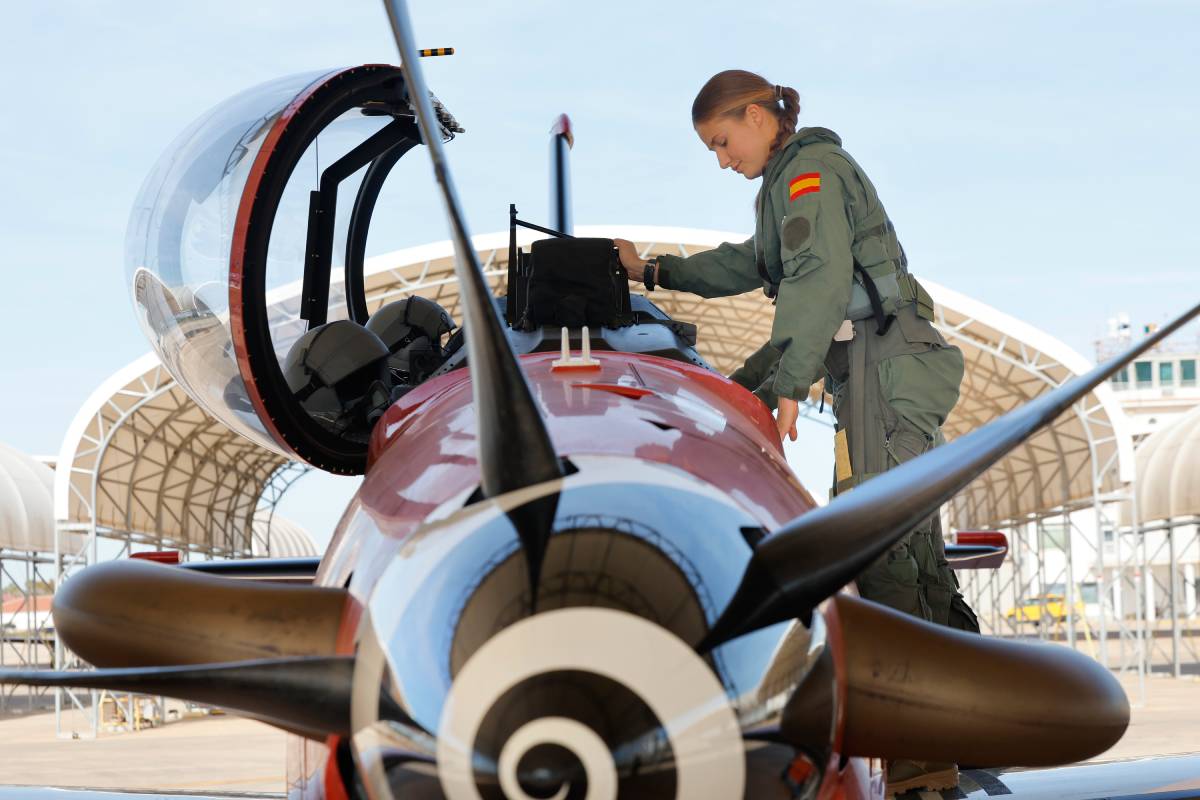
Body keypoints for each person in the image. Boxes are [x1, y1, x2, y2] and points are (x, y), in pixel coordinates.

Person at [615, 70, 978, 795]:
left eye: (722, 141)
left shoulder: (808, 171)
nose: (721, 158)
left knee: (880, 547)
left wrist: (783, 388)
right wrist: (652, 271)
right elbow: (750, 264)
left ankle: (921, 768)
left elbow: (815, 280)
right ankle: (963, 725)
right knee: (909, 550)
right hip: (871, 371)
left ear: (757, 117)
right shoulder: (784, 184)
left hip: (884, 366)